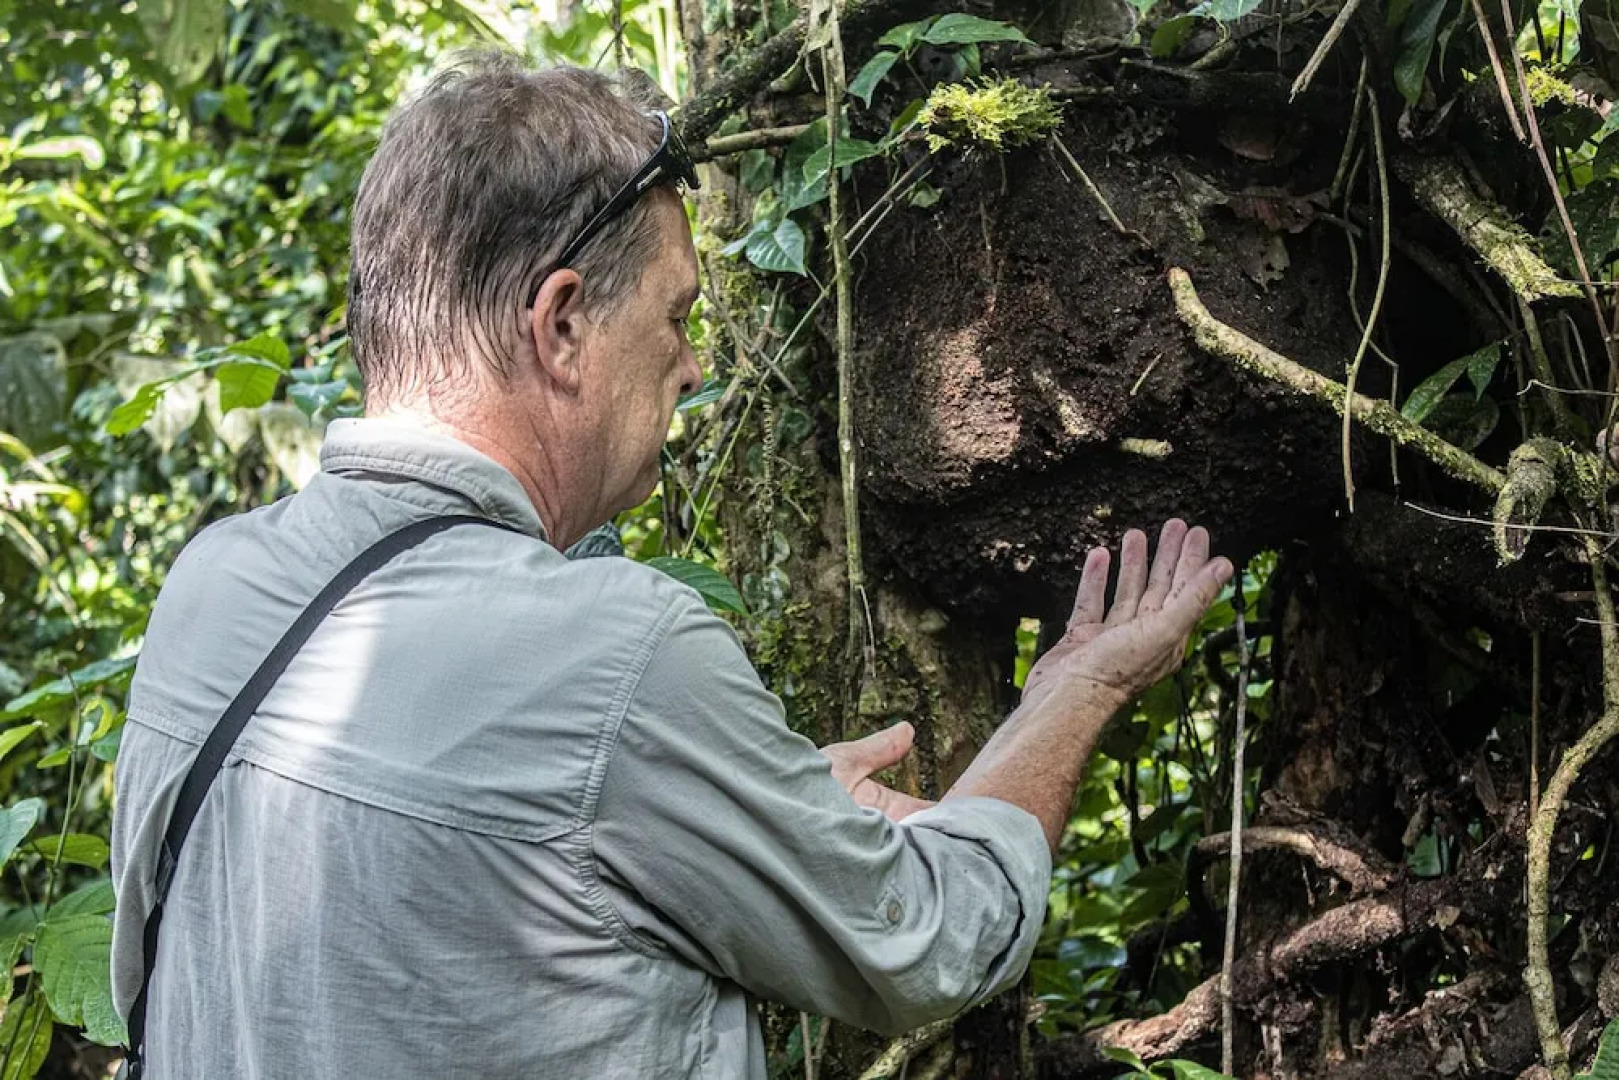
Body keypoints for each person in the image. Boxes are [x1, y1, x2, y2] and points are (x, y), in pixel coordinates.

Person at [109, 55, 1232, 1078]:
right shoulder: (613, 655)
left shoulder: (208, 591)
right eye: (679, 315)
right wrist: (1076, 687)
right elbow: (930, 942)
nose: (694, 367)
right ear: (558, 326)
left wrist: (753, 827)